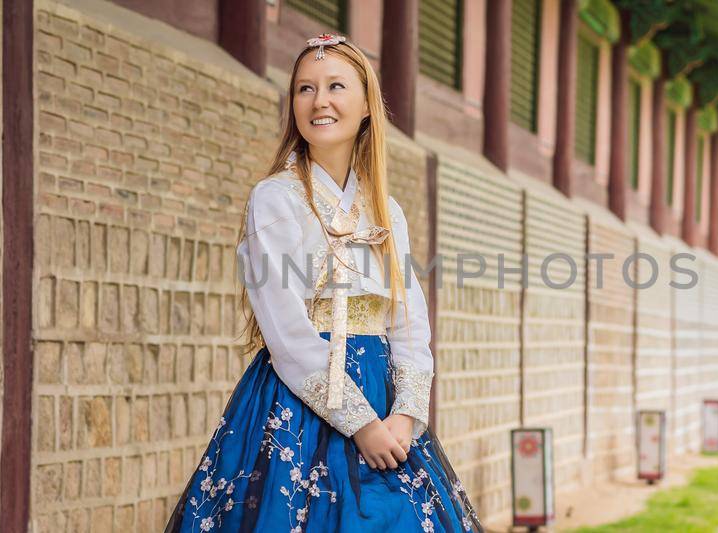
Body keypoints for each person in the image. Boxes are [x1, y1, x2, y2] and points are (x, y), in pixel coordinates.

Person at [165, 35, 482, 532]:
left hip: (384, 394)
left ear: (366, 107)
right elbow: (287, 331)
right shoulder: (275, 199)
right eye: (305, 89)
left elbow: (408, 320)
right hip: (301, 398)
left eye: (336, 86)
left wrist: (406, 416)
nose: (320, 101)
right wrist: (362, 425)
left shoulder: (386, 211)